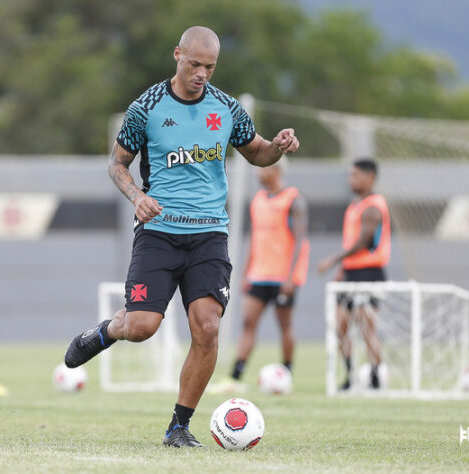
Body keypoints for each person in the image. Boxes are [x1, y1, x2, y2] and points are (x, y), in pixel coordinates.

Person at [64, 26, 299, 447]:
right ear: (177, 55)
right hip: (158, 233)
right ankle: (103, 333)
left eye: (209, 67)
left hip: (209, 234)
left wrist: (278, 146)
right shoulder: (147, 107)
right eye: (194, 65)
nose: (201, 74)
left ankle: (179, 426)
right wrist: (137, 196)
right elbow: (117, 164)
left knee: (207, 328)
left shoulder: (226, 109)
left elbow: (258, 152)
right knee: (140, 327)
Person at [211, 158, 309, 393]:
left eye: (262, 167)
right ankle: (235, 376)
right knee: (248, 323)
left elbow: (299, 241)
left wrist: (291, 276)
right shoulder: (257, 200)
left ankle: (287, 373)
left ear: (276, 169)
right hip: (258, 274)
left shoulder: (293, 199)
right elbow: (255, 239)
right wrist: (245, 272)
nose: (257, 172)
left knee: (284, 325)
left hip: (283, 276)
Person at [318, 158, 390, 390]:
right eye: (350, 175)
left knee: (366, 325)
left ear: (371, 177)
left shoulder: (373, 205)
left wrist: (332, 260)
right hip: (350, 273)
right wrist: (342, 269)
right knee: (340, 326)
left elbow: (362, 242)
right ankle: (350, 376)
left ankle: (376, 376)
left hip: (370, 272)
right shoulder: (354, 206)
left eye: (357, 175)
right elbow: (351, 242)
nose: (352, 179)